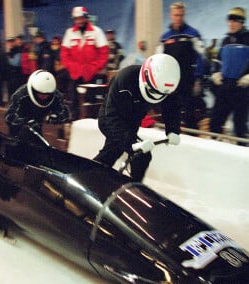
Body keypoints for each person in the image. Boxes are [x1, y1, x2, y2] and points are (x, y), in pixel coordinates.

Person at [93, 54, 181, 182]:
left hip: (133, 120)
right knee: (117, 151)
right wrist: (131, 143)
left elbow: (171, 107)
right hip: (110, 117)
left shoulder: (166, 86)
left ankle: (133, 186)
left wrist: (173, 130)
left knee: (135, 155)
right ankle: (92, 178)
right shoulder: (125, 79)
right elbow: (111, 115)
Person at [157, 1, 205, 130]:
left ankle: (193, 138)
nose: (178, 18)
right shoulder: (165, 38)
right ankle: (170, 134)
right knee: (168, 109)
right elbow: (159, 60)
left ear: (184, 15)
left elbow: (201, 56)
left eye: (181, 15)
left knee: (190, 112)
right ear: (171, 15)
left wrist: (198, 78)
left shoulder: (193, 34)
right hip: (170, 81)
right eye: (176, 15)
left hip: (188, 80)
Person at [60, 6, 108, 120]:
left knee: (90, 100)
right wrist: (72, 67)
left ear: (86, 18)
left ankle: (91, 122)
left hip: (91, 73)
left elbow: (104, 54)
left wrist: (94, 68)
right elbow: (64, 55)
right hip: (74, 73)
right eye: (76, 19)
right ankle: (75, 122)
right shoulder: (70, 33)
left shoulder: (97, 32)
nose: (79, 21)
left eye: (81, 18)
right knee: (74, 99)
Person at [210, 7, 249, 145]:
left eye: (235, 21)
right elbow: (217, 61)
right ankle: (213, 150)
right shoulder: (225, 40)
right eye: (229, 21)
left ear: (241, 22)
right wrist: (215, 72)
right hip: (225, 88)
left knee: (239, 126)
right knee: (215, 122)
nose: (231, 24)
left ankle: (243, 155)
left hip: (242, 89)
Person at [5, 69, 69, 137]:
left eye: (47, 94)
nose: (44, 97)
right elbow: (9, 117)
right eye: (41, 94)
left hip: (42, 130)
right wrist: (26, 122)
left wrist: (53, 118)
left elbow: (65, 115)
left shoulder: (57, 96)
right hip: (20, 130)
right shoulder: (20, 95)